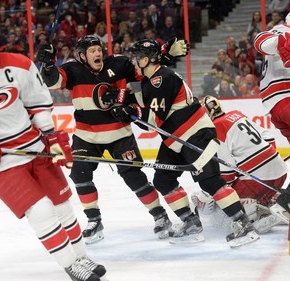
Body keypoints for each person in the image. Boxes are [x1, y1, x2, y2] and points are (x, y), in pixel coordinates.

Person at [0, 16, 107, 281]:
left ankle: (81, 258)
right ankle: (70, 265)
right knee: (41, 211)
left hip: (34, 148)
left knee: (62, 206)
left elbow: (38, 103)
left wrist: (50, 135)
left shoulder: (19, 64)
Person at [37, 34, 188, 244]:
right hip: (86, 135)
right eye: (92, 51)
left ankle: (160, 216)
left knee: (133, 176)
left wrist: (164, 54)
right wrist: (47, 64)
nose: (97, 53)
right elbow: (52, 81)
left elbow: (146, 68)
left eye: (98, 49)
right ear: (82, 55)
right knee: (80, 175)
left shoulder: (119, 64)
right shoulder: (73, 70)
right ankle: (94, 221)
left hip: (119, 134)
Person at [111, 39, 260, 248]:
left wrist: (131, 111)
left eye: (136, 57)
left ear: (146, 59)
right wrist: (123, 102)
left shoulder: (162, 79)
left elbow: (153, 117)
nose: (133, 61)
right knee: (163, 180)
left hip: (195, 133)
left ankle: (244, 225)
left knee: (209, 181)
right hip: (175, 139)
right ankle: (191, 223)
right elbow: (142, 104)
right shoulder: (149, 80)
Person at [194, 96, 289, 233]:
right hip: (280, 171)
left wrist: (218, 191)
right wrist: (269, 156)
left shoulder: (215, 128)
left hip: (258, 180)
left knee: (225, 204)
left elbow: (227, 169)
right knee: (259, 193)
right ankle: (273, 202)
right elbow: (268, 136)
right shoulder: (237, 115)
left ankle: (256, 213)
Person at [253, 13, 290, 143]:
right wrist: (278, 43)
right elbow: (260, 40)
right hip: (284, 97)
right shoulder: (283, 29)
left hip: (276, 104)